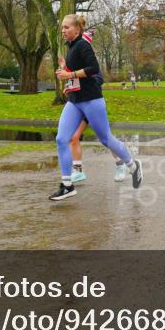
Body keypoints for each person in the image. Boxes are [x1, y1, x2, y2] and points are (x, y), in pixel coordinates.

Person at [50, 14, 142, 201]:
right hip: (75, 101)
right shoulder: (71, 48)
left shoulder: (83, 45)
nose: (63, 30)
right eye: (62, 28)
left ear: (77, 29)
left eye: (66, 27)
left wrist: (69, 75)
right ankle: (67, 185)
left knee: (106, 139)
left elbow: (93, 68)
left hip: (92, 99)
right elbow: (76, 76)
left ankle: (133, 165)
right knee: (61, 139)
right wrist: (68, 80)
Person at [67, 30, 128, 185]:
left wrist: (82, 80)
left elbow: (98, 80)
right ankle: (78, 170)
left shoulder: (91, 65)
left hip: (91, 103)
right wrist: (70, 87)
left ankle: (121, 164)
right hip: (77, 104)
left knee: (105, 139)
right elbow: (73, 83)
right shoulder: (74, 64)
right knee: (73, 137)